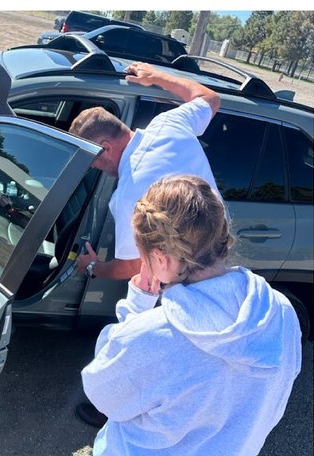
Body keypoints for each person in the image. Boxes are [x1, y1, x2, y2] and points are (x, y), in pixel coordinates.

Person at [41, 175, 301, 456]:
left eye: (145, 258)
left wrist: (136, 303)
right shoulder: (280, 312)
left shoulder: (156, 334)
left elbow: (102, 393)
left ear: (161, 259)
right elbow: (273, 404)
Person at [70, 63, 222, 427]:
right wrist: (157, 77)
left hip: (182, 281)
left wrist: (91, 267)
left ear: (105, 145)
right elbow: (209, 98)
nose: (93, 167)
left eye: (91, 159)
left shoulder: (131, 194)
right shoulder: (167, 125)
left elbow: (134, 269)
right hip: (218, 254)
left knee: (144, 345)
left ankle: (114, 406)